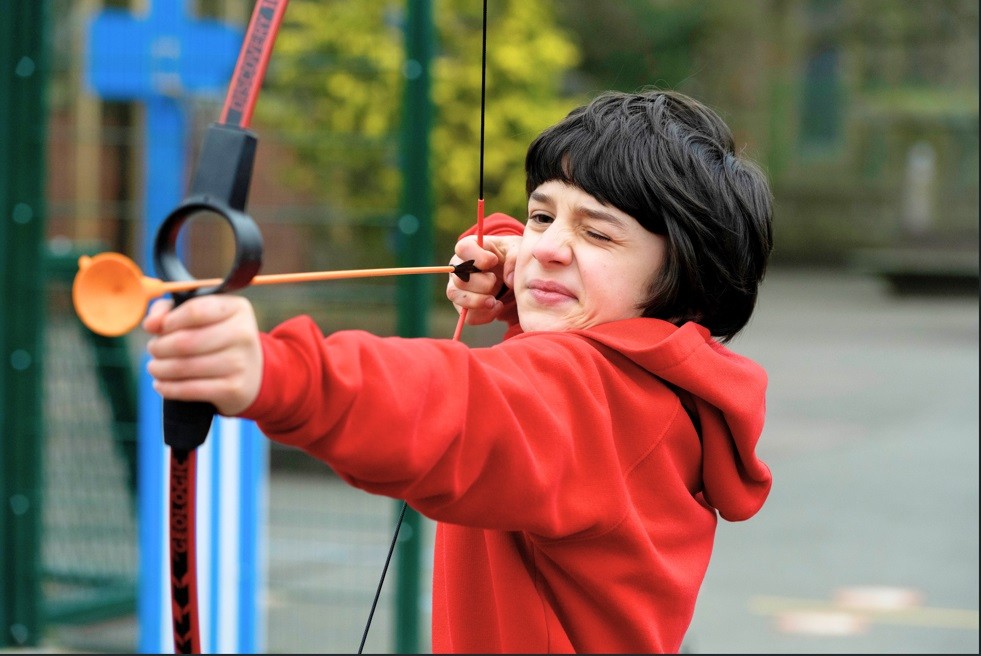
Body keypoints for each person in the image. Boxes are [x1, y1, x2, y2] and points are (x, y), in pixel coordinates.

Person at [143, 89, 774, 653]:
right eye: (541, 215)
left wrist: (275, 373)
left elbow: (462, 406)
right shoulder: (658, 390)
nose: (548, 246)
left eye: (598, 235)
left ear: (684, 276)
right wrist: (514, 279)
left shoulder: (599, 402)